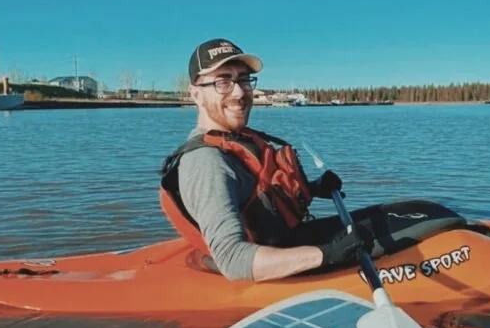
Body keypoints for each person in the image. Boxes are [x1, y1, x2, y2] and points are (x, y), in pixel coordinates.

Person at [160, 38, 374, 282]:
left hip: (287, 239)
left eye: (243, 79)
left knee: (414, 212)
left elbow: (256, 200)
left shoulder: (235, 137)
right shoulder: (206, 162)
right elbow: (232, 260)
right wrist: (328, 254)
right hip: (264, 266)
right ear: (196, 94)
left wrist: (312, 189)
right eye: (223, 81)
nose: (239, 92)